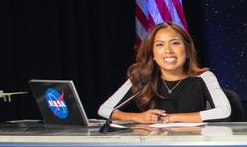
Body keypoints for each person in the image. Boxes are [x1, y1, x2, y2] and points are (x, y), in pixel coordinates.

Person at [98, 22, 231, 123]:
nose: (168, 50)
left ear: (187, 50)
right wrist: (138, 117)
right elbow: (104, 110)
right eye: (160, 45)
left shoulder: (204, 77)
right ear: (153, 55)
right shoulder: (141, 78)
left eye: (175, 43)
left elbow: (224, 111)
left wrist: (171, 118)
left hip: (192, 146)